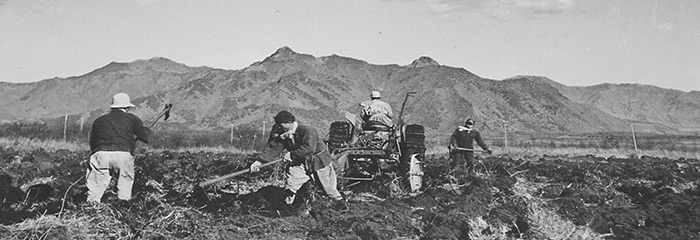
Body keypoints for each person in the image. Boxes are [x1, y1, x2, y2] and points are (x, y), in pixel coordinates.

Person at [250, 110, 348, 211]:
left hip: (318, 161)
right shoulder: (283, 131)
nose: (279, 128)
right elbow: (273, 147)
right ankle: (287, 206)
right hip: (300, 161)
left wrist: (291, 154)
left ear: (289, 123)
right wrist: (259, 162)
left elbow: (309, 148)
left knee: (327, 187)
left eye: (281, 125)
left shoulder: (307, 130)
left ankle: (341, 206)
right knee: (292, 182)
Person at [86, 93, 150, 204]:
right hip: (123, 155)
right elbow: (145, 137)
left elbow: (92, 142)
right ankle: (122, 210)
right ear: (127, 107)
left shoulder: (99, 120)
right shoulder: (132, 118)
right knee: (124, 184)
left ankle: (91, 211)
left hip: (100, 154)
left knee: (95, 189)